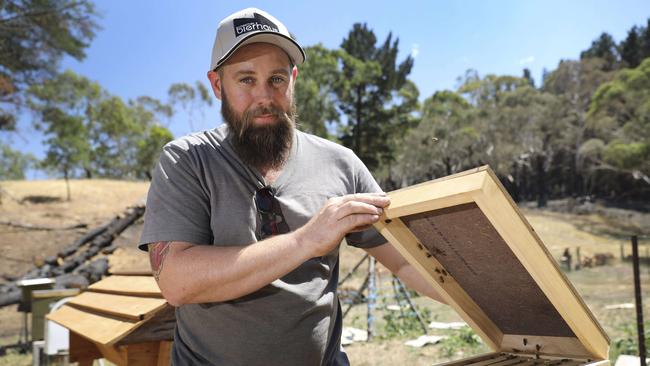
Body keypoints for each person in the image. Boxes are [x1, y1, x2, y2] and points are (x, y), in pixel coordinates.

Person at [139, 7, 443, 366]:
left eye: (277, 79)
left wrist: (499, 296)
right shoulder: (189, 160)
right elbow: (176, 281)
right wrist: (305, 240)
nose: (265, 96)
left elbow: (407, 264)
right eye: (246, 80)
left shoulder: (340, 163)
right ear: (218, 85)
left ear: (293, 79)